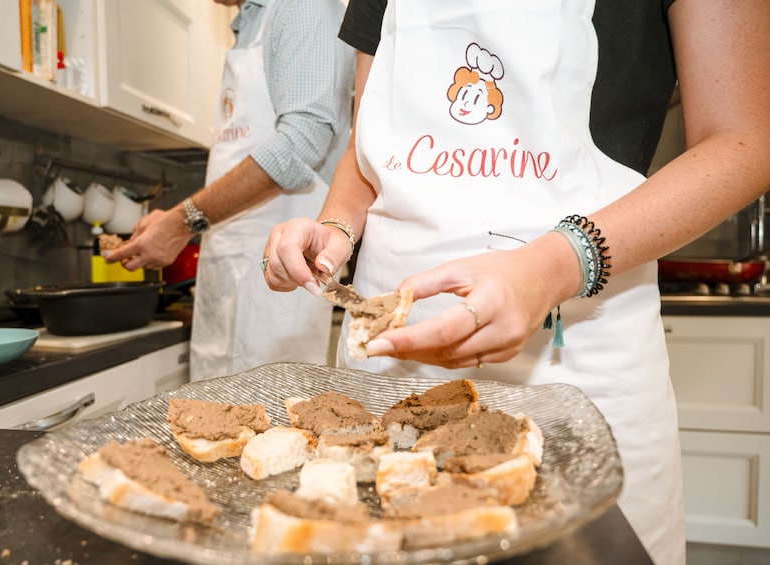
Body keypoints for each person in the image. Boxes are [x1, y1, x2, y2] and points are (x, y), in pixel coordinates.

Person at [261, 2, 770, 564]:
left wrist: (554, 265)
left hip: (578, 355)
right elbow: (370, 145)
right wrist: (335, 226)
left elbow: (743, 141)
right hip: (391, 360)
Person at [105, 0, 354, 380]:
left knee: (273, 423)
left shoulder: (302, 6)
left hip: (277, 294)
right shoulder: (249, 24)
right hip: (225, 285)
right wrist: (178, 221)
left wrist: (181, 221)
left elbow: (303, 141)